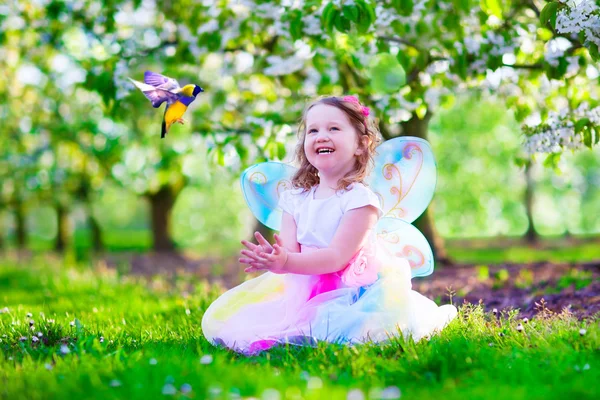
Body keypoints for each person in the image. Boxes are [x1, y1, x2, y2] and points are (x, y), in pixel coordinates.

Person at [201, 95, 457, 355]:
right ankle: (285, 332)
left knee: (341, 328)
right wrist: (275, 258)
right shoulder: (295, 199)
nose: (321, 136)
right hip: (303, 287)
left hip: (351, 291)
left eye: (334, 128)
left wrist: (285, 261)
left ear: (361, 144)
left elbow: (336, 258)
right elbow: (291, 254)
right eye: (313, 130)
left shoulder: (360, 200)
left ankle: (301, 334)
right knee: (250, 319)